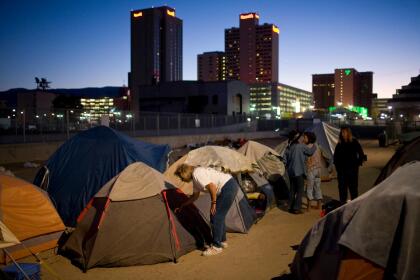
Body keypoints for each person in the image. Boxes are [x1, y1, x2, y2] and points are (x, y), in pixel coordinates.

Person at [174, 164, 238, 256]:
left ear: (184, 173)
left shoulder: (197, 174)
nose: (181, 179)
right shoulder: (196, 178)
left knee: (216, 216)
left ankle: (216, 247)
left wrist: (213, 203)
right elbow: (194, 197)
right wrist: (182, 205)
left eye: (181, 177)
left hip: (227, 187)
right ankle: (222, 241)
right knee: (219, 216)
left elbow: (212, 187)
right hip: (229, 185)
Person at [284, 130, 316, 214]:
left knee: (292, 190)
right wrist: (315, 145)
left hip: (290, 172)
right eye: (301, 136)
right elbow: (310, 152)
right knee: (300, 190)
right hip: (299, 172)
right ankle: (296, 208)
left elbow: (284, 161)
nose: (302, 138)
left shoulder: (288, 147)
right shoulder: (301, 146)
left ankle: (289, 206)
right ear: (297, 138)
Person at [333, 126, 365, 203]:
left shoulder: (354, 142)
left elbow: (361, 154)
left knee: (353, 188)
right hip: (342, 172)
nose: (342, 134)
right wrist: (337, 168)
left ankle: (354, 203)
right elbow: (335, 157)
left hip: (352, 171)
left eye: (344, 132)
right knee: (342, 189)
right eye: (342, 132)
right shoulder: (339, 144)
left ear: (348, 133)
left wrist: (357, 164)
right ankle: (343, 204)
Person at [304, 131, 323, 209]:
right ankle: (319, 205)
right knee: (317, 187)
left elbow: (305, 160)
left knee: (309, 188)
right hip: (318, 169)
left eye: (305, 137)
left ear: (309, 138)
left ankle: (308, 207)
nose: (303, 139)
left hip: (310, 170)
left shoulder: (306, 147)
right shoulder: (317, 146)